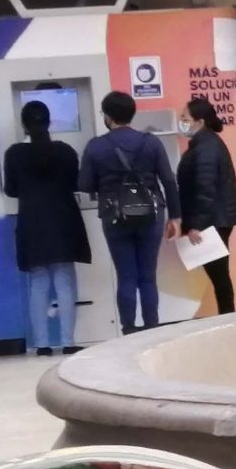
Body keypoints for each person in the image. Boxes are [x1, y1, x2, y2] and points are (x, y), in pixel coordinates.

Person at [77, 91, 179, 334]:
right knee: (147, 275)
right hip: (152, 214)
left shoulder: (96, 146)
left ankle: (129, 329)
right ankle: (152, 328)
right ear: (131, 114)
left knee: (126, 275)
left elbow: (84, 185)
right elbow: (168, 180)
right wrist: (175, 216)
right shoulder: (151, 142)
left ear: (108, 116)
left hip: (114, 216)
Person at [2, 100, 92, 355]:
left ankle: (41, 345)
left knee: (38, 283)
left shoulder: (14, 153)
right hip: (64, 220)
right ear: (49, 122)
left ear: (24, 125)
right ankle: (68, 342)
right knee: (65, 281)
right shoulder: (65, 151)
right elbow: (77, 183)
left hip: (32, 222)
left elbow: (10, 190)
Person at [176, 96, 236, 315]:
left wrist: (197, 224)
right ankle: (227, 316)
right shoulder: (205, 143)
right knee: (219, 274)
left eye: (185, 118)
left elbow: (205, 189)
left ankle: (227, 317)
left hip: (214, 219)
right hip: (217, 217)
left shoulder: (206, 147)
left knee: (219, 274)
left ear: (200, 121)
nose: (181, 121)